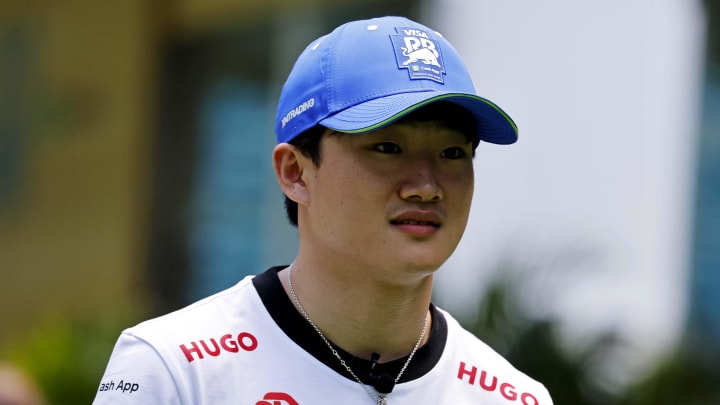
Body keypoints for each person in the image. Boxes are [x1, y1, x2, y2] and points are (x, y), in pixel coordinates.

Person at [93, 16, 553, 405]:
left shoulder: (514, 396)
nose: (426, 186)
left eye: (453, 154)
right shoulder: (172, 370)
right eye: (388, 147)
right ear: (295, 172)